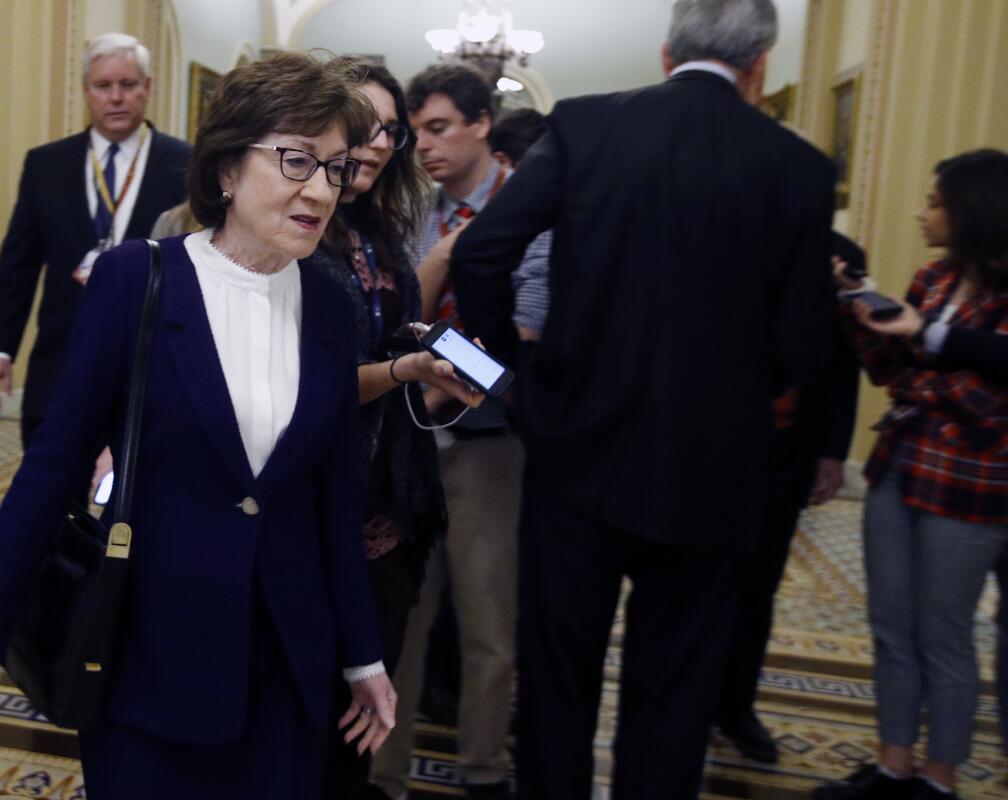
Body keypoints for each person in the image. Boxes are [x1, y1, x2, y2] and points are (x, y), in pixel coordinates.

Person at [0, 52, 397, 799]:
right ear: (225, 169)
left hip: (286, 665)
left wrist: (362, 658)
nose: (321, 190)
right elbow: (50, 469)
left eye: (338, 168)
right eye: (296, 161)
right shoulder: (137, 280)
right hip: (149, 660)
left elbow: (333, 506)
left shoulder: (331, 309)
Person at [448, 0, 837, 795]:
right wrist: (788, 411)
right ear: (759, 67)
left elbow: (484, 249)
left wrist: (508, 376)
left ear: (666, 54)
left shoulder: (590, 127)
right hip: (715, 467)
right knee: (675, 691)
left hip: (574, 448)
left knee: (557, 678)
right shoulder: (797, 167)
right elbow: (807, 341)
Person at [300, 56, 482, 800]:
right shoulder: (297, 230)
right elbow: (304, 389)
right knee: (300, 716)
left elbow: (382, 354)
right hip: (309, 512)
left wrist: (429, 371)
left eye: (390, 131)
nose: (377, 143)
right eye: (362, 125)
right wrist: (404, 372)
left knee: (357, 717)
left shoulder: (377, 232)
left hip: (386, 510)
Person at [372, 63, 551, 800]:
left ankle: (483, 769)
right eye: (414, 134)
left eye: (440, 128)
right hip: (412, 434)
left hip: (490, 446)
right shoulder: (413, 207)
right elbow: (391, 315)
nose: (425, 147)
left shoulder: (530, 204)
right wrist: (441, 264)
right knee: (403, 618)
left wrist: (437, 315)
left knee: (488, 625)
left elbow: (527, 330)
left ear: (483, 123)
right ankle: (384, 773)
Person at [813, 148, 1008, 800]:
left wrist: (929, 364)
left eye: (935, 202)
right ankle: (894, 766)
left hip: (970, 479)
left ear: (973, 213)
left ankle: (939, 779)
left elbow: (992, 404)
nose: (921, 213)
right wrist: (857, 309)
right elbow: (893, 373)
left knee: (943, 634)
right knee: (891, 625)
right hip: (901, 467)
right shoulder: (932, 280)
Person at [0, 33, 191, 450]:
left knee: (140, 505)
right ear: (85, 91)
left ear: (148, 88)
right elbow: (17, 265)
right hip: (60, 365)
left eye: (128, 85)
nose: (115, 98)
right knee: (52, 499)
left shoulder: (185, 162)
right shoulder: (46, 164)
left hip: (151, 366)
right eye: (103, 86)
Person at [716, 231, 863, 763]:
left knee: (758, 587)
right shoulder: (716, 231)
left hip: (786, 448)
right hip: (709, 446)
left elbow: (841, 365)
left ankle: (735, 707)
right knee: (696, 584)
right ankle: (685, 700)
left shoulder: (838, 253)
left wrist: (832, 451)